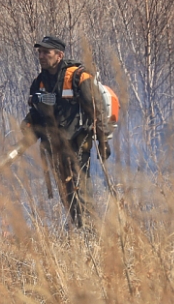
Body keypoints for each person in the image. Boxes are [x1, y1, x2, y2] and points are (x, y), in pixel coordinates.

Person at [21, 35, 111, 228]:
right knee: (66, 190)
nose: (41, 56)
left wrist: (103, 140)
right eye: (40, 52)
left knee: (80, 187)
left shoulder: (78, 76)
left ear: (59, 55)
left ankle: (91, 232)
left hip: (78, 142)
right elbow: (37, 110)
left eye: (46, 52)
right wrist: (27, 124)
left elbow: (96, 110)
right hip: (54, 146)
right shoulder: (40, 83)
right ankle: (78, 227)